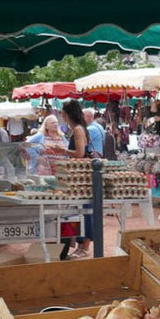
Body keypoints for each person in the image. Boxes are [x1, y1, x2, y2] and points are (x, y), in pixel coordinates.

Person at [61, 99, 94, 257]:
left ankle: (84, 247)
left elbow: (80, 153)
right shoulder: (78, 129)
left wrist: (62, 151)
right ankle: (81, 246)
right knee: (81, 211)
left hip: (82, 178)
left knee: (85, 211)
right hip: (79, 177)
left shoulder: (78, 130)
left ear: (66, 114)